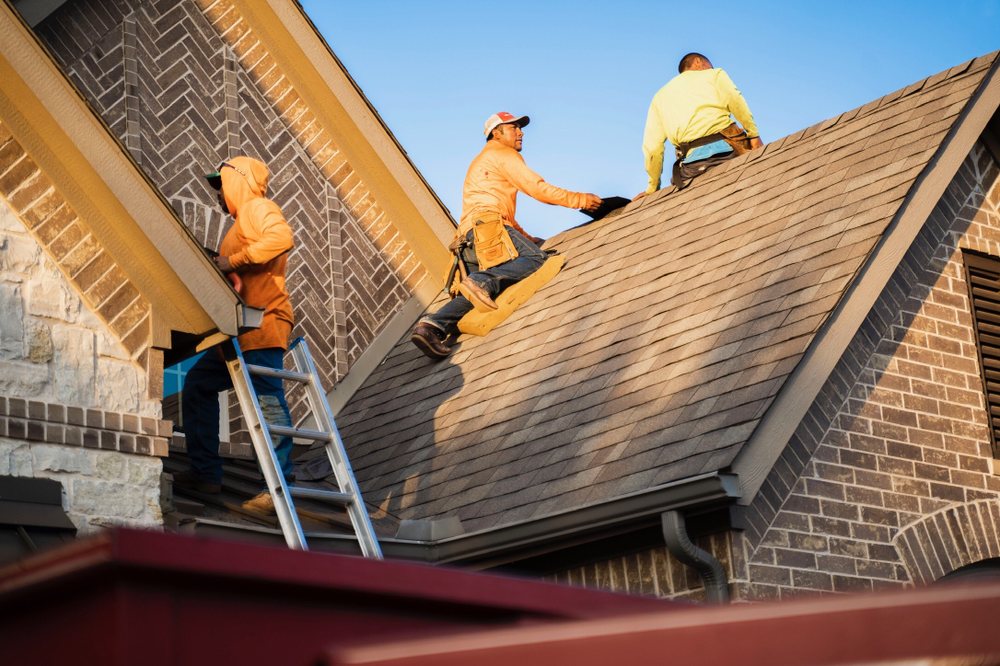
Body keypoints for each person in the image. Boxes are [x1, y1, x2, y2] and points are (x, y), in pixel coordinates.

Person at [410, 111, 602, 359]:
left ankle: (432, 326)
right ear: (496, 133)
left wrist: (525, 237)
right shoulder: (501, 153)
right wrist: (580, 200)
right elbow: (537, 188)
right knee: (536, 260)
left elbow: (502, 213)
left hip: (469, 240)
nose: (521, 132)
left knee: (480, 294)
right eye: (514, 128)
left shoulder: (484, 161)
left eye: (520, 128)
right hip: (487, 228)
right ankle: (481, 281)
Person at [173, 156, 295, 515]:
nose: (219, 193)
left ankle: (279, 491)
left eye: (222, 184)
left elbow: (281, 238)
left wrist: (230, 262)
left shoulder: (258, 207)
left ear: (238, 181)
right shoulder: (239, 223)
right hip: (238, 331)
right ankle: (205, 473)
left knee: (268, 403)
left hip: (263, 323)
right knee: (197, 385)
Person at [641, 52, 763, 195]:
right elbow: (736, 101)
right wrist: (754, 135)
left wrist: (652, 187)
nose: (711, 69)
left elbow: (652, 148)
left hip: (690, 169)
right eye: (709, 66)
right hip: (729, 151)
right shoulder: (714, 74)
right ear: (698, 62)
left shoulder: (659, 97)